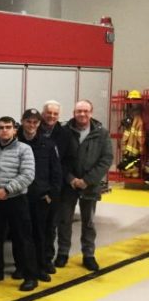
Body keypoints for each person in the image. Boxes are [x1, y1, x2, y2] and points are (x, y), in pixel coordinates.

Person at [0, 116, 38, 291]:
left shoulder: (24, 149)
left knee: (23, 239)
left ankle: (30, 275)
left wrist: (6, 190)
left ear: (15, 130)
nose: (4, 130)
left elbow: (28, 174)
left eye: (8, 127)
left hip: (16, 200)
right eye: (0, 127)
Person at [56, 100, 113, 271]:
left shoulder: (101, 133)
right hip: (68, 185)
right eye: (79, 111)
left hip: (90, 185)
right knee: (64, 220)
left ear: (91, 112)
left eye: (86, 111)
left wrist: (87, 180)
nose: (82, 114)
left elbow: (106, 159)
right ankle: (62, 253)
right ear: (74, 112)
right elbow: (58, 158)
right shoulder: (64, 131)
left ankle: (89, 255)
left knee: (88, 222)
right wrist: (71, 179)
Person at [16, 108, 62, 282]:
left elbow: (56, 172)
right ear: (22, 121)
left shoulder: (48, 144)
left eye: (35, 122)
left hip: (41, 198)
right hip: (20, 197)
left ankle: (41, 266)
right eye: (28, 121)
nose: (31, 125)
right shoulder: (15, 142)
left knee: (40, 234)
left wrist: (51, 195)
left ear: (39, 124)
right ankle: (22, 267)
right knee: (20, 234)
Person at [39, 100, 73, 273]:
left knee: (50, 226)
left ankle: (46, 259)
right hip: (35, 187)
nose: (51, 116)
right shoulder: (33, 129)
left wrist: (55, 183)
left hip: (55, 188)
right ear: (42, 113)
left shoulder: (65, 134)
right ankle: (30, 259)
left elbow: (68, 160)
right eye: (48, 113)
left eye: (55, 114)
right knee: (32, 226)